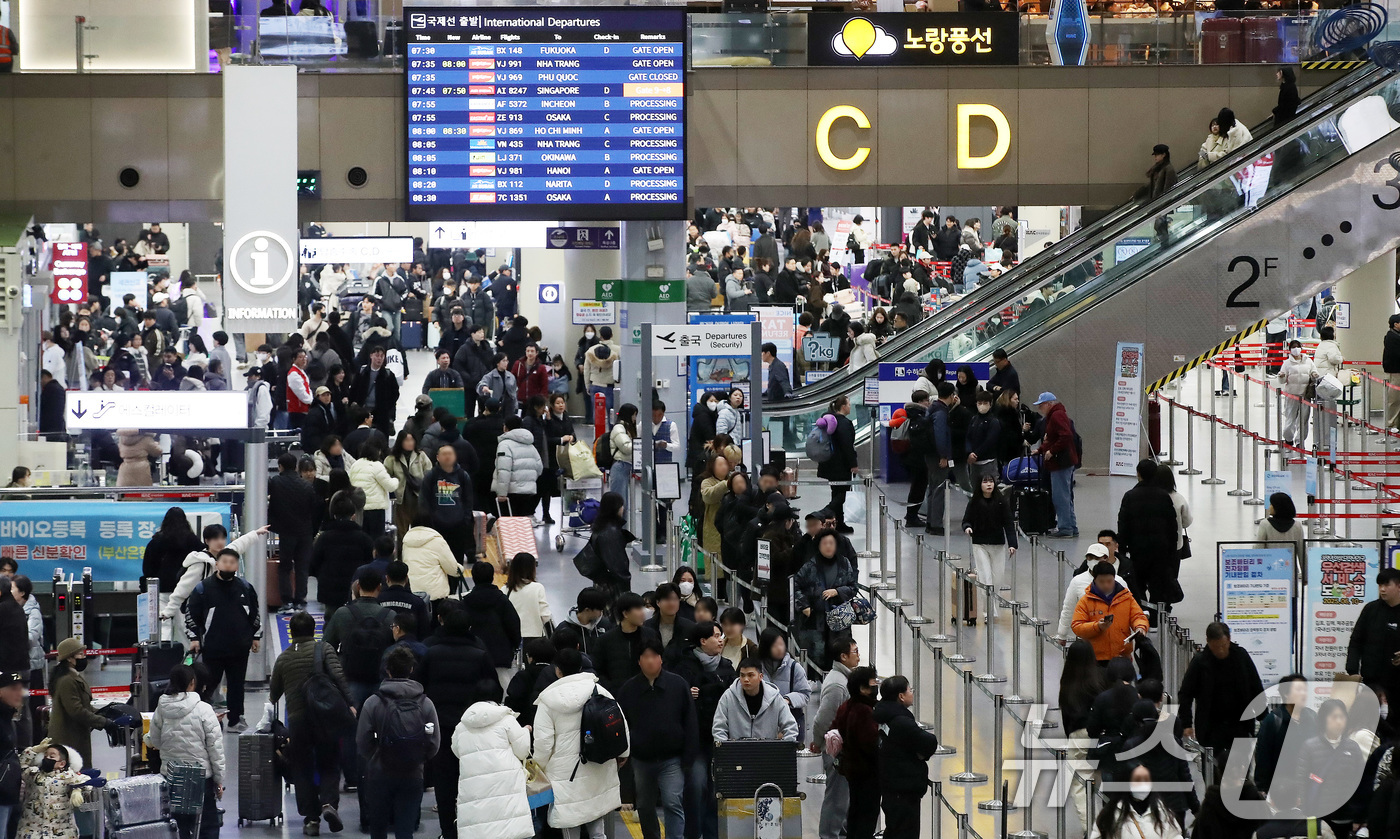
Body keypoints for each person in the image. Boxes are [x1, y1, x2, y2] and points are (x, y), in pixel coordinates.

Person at [417, 609, 502, 839]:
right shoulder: (480, 655)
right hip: (473, 728)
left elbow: (418, 686)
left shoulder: (431, 654)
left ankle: (447, 831)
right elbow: (495, 689)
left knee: (444, 783)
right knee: (473, 780)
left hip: (441, 726)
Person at [534, 648, 628, 839]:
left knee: (570, 820)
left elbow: (543, 742)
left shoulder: (548, 700)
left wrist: (539, 767)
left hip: (564, 773)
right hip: (597, 762)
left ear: (557, 670)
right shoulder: (598, 690)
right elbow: (619, 722)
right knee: (596, 819)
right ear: (580, 667)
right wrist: (623, 754)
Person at [357, 646, 440, 839]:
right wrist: (419, 757)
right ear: (411, 669)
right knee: (405, 829)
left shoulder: (373, 702)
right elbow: (434, 741)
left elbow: (362, 740)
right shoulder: (425, 703)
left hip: (379, 773)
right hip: (413, 773)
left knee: (378, 828)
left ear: (387, 670)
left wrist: (375, 756)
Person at [617, 640, 697, 839]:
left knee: (672, 802)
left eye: (655, 656)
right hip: (642, 759)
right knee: (644, 805)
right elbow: (622, 724)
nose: (651, 661)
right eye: (646, 656)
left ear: (661, 659)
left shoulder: (678, 685)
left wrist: (688, 756)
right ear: (639, 661)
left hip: (672, 758)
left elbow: (690, 721)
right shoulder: (629, 689)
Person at [183, 546, 263, 732]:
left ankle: (236, 719)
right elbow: (191, 614)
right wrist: (194, 638)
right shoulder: (203, 588)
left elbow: (255, 613)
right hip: (212, 647)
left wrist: (255, 636)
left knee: (237, 685)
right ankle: (206, 720)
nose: (228, 565)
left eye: (232, 562)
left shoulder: (245, 587)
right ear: (217, 564)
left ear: (237, 566)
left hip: (240, 647)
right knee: (208, 685)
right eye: (224, 562)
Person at [670, 621, 735, 839]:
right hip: (695, 740)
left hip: (721, 739)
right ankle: (693, 833)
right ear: (702, 641)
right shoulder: (684, 668)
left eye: (721, 635)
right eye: (716, 636)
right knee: (697, 787)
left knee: (716, 790)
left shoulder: (726, 666)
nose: (721, 640)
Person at [145, 665, 224, 839]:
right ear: (192, 683)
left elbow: (155, 741)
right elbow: (215, 749)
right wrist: (219, 780)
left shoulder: (161, 709)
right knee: (207, 825)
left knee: (177, 825)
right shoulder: (204, 709)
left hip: (172, 776)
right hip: (201, 778)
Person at [1178, 622, 1264, 774]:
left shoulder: (1241, 656)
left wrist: (1263, 717)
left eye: (1224, 645)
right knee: (1213, 770)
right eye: (1216, 647)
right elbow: (1186, 693)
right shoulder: (1200, 662)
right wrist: (1186, 723)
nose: (1221, 650)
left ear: (1229, 640)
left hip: (1240, 724)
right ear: (1208, 642)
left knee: (1241, 771)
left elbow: (1255, 687)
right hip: (1211, 727)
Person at [450, 699, 534, 839]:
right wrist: (525, 731)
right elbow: (522, 751)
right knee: (509, 825)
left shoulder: (461, 727)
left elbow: (457, 751)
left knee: (480, 826)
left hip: (474, 783)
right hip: (506, 781)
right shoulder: (507, 720)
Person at [873, 675, 939, 839]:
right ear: (901, 696)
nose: (912, 693)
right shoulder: (901, 722)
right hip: (903, 790)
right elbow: (929, 742)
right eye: (909, 690)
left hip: (891, 787)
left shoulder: (883, 715)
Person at [1116, 459, 1180, 618]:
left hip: (1137, 550)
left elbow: (1123, 524)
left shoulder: (1130, 496)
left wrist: (1122, 550)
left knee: (1137, 583)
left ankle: (1141, 614)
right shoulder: (1164, 496)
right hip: (1160, 551)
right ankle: (1156, 617)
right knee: (1157, 584)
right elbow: (1172, 525)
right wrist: (1172, 550)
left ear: (1138, 474)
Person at [1293, 699, 1365, 839]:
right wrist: (1304, 810)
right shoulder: (1309, 747)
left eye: (1342, 717)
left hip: (1347, 815)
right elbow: (1301, 780)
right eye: (1334, 717)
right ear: (1323, 719)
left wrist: (1360, 815)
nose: (1338, 721)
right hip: (1317, 814)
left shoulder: (1353, 747)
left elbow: (1360, 782)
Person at [48, 639, 124, 768]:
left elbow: (84, 705)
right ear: (69, 658)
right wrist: (103, 722)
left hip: (74, 735)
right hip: (69, 738)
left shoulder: (71, 676)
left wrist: (105, 713)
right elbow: (76, 711)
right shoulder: (67, 680)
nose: (84, 657)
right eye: (80, 654)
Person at [812, 638, 860, 839]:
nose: (859, 655)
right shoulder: (837, 685)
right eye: (855, 651)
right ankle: (828, 835)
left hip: (845, 749)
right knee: (836, 799)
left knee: (844, 798)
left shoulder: (844, 679)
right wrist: (818, 741)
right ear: (843, 656)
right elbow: (823, 719)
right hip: (836, 750)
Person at [793, 530, 858, 673]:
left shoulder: (844, 563)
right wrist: (804, 606)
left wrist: (838, 592)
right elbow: (796, 585)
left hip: (839, 621)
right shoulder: (810, 566)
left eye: (831, 543)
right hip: (816, 619)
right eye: (824, 543)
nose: (828, 546)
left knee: (840, 652)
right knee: (816, 653)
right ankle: (815, 679)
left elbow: (853, 587)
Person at [1060, 639, 1108, 828]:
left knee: (1081, 787)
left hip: (1078, 735)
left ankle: (1092, 829)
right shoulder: (1100, 678)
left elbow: (1066, 717)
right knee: (1101, 783)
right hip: (1101, 735)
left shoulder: (1067, 681)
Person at [961, 473, 1017, 620]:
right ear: (980, 485)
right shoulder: (974, 502)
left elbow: (1008, 524)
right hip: (979, 544)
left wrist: (1013, 544)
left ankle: (992, 607)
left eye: (991, 481)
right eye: (985, 482)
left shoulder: (1001, 502)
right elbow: (966, 520)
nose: (988, 484)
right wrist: (967, 528)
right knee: (985, 578)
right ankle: (988, 612)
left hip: (998, 545)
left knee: (997, 579)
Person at [269, 453, 321, 611]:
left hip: (286, 531)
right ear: (297, 467)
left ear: (280, 466)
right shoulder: (306, 485)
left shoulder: (276, 482)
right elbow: (314, 509)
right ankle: (300, 599)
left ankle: (286, 601)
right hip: (304, 531)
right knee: (302, 567)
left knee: (285, 567)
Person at [1071, 561, 1150, 664]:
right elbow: (1077, 626)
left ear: (1114, 579)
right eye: (1101, 581)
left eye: (1109, 581)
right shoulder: (1085, 601)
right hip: (1094, 659)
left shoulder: (1126, 598)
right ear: (1094, 580)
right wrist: (1097, 627)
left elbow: (1138, 616)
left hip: (1121, 656)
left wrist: (1140, 627)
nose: (1106, 585)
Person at [312, 491, 377, 613]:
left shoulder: (324, 538)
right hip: (356, 589)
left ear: (334, 515)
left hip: (330, 589)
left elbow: (314, 562)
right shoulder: (364, 538)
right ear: (353, 516)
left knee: (331, 622)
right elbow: (370, 563)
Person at [1254, 674, 1317, 795]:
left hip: (1308, 787)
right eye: (1298, 690)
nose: (1303, 693)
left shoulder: (1312, 718)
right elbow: (1263, 756)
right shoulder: (1273, 721)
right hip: (1281, 788)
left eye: (1305, 689)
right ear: (1286, 694)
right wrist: (1262, 788)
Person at [1346, 567, 1400, 706]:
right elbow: (1356, 641)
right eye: (1380, 585)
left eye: (1387, 585)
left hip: (1397, 682)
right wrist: (1352, 671)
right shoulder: (1371, 610)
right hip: (1372, 681)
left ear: (1399, 586)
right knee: (1371, 721)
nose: (1382, 589)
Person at [713, 657, 799, 743]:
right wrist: (724, 751)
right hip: (737, 753)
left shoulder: (775, 698)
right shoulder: (728, 697)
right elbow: (719, 729)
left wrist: (784, 750)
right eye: (742, 675)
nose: (746, 679)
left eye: (750, 675)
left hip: (767, 752)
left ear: (760, 676)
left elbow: (790, 727)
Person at [1089, 764, 1184, 839]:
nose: (1142, 784)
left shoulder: (1163, 812)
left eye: (1146, 779)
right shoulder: (1113, 813)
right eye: (1137, 779)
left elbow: (1174, 835)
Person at [1031, 392, 1079, 537]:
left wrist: (1051, 451)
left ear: (1049, 404)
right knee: (1065, 495)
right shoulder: (1056, 415)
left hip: (1060, 463)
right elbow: (1052, 439)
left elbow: (1066, 436)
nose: (1040, 409)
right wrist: (1040, 450)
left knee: (1060, 497)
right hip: (1062, 462)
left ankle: (1065, 528)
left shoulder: (1056, 416)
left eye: (1041, 406)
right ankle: (1071, 526)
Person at [420, 444, 476, 564]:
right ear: (438, 457)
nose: (447, 457)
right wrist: (428, 521)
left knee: (456, 561)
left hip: (458, 525)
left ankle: (455, 582)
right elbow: (424, 500)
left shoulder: (462, 476)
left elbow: (468, 500)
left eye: (450, 454)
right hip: (437, 526)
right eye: (444, 454)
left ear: (455, 457)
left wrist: (465, 520)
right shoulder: (431, 476)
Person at [595, 592, 660, 694]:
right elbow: (598, 670)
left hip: (647, 694)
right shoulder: (605, 640)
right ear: (625, 613)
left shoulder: (650, 635)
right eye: (638, 609)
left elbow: (660, 662)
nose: (643, 613)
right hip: (616, 696)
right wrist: (611, 689)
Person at [579, 492, 635, 608]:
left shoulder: (600, 527)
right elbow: (617, 563)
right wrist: (626, 585)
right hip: (613, 586)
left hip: (602, 583)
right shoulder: (611, 533)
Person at [756, 628, 811, 739]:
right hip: (762, 723)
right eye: (775, 645)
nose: (780, 648)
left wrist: (787, 700)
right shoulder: (756, 667)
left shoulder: (794, 667)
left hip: (790, 721)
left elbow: (805, 694)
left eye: (781, 644)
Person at [816, 397, 859, 534]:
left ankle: (838, 523)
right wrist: (853, 464)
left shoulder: (828, 420)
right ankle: (825, 512)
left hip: (828, 464)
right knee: (841, 494)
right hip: (841, 465)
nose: (850, 407)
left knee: (836, 492)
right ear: (843, 407)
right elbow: (847, 446)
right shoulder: (844, 423)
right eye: (849, 404)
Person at [492, 415, 544, 516]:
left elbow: (503, 470)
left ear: (505, 428)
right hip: (529, 492)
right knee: (522, 525)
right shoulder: (530, 444)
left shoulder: (504, 445)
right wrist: (528, 480)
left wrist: (502, 493)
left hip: (511, 492)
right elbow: (539, 467)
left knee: (510, 526)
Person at [352, 345, 400, 437]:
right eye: (377, 355)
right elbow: (354, 389)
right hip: (363, 411)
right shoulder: (362, 372)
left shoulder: (388, 375)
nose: (379, 359)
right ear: (371, 356)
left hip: (381, 413)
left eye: (382, 356)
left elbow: (395, 393)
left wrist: (387, 406)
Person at [1278, 339, 1317, 448]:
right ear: (1290, 350)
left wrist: (1314, 374)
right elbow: (1282, 381)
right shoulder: (1286, 363)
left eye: (1297, 347)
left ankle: (1300, 441)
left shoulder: (1308, 361)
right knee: (1290, 418)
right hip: (1292, 395)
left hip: (1305, 395)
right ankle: (1288, 438)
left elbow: (1314, 372)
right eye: (1293, 347)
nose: (1296, 349)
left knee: (1304, 420)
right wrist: (1281, 376)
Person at [645, 583, 696, 663]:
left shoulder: (689, 627)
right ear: (658, 602)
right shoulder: (646, 627)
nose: (672, 603)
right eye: (667, 599)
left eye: (675, 599)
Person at [1256, 492, 1307, 559]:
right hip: (1291, 567)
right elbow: (1302, 553)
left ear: (1277, 507)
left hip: (1270, 566)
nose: (1269, 507)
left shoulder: (1265, 524)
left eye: (1271, 504)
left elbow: (1258, 548)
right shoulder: (1297, 525)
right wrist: (1305, 569)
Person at [607, 403, 637, 498]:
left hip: (625, 466)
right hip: (620, 466)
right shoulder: (619, 428)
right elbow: (626, 448)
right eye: (634, 415)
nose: (635, 418)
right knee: (619, 501)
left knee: (623, 501)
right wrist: (639, 445)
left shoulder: (626, 428)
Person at [1385, 314, 1400, 431]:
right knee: (1394, 399)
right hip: (1396, 371)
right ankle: (1392, 424)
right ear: (1396, 324)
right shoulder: (1391, 337)